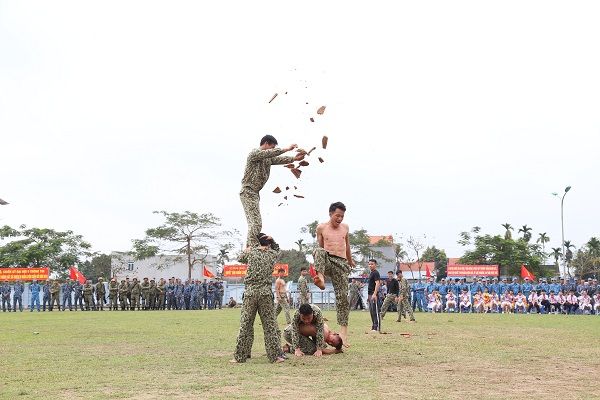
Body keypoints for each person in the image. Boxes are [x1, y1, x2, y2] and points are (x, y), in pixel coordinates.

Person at [240, 135, 304, 248]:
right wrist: (287, 149)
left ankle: (251, 247)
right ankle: (252, 249)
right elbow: (270, 154)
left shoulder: (267, 159)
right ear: (265, 143)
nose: (273, 150)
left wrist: (294, 158)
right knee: (256, 223)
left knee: (255, 223)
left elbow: (277, 159)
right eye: (272, 147)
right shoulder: (254, 154)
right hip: (248, 191)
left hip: (254, 193)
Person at [231, 233, 285, 364]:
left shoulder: (251, 253)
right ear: (269, 243)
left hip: (250, 293)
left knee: (246, 324)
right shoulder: (272, 254)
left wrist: (248, 248)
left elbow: (239, 257)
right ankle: (275, 357)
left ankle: (239, 357)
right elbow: (279, 251)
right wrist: (274, 240)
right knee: (269, 326)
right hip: (265, 293)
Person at [313, 202, 355, 345]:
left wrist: (350, 260)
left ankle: (343, 332)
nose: (339, 219)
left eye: (342, 216)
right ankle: (321, 279)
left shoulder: (345, 228)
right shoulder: (321, 228)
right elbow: (319, 247)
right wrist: (319, 265)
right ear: (330, 214)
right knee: (318, 251)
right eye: (337, 215)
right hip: (328, 260)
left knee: (343, 296)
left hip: (341, 263)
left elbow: (347, 246)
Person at [366, 259, 381, 333]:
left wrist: (375, 294)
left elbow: (377, 283)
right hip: (369, 294)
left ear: (375, 265)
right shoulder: (371, 273)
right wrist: (368, 297)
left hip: (373, 294)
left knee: (375, 311)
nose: (370, 265)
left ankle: (376, 327)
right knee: (371, 311)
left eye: (372, 264)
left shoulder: (376, 273)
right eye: (369, 264)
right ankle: (373, 326)